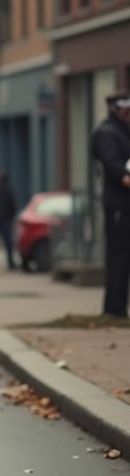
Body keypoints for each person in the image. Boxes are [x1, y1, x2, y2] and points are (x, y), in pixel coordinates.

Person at [90, 91, 130, 319]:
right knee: (119, 256)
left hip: (123, 203)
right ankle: (114, 310)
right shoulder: (107, 133)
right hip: (118, 205)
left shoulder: (121, 131)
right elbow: (114, 167)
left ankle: (117, 309)